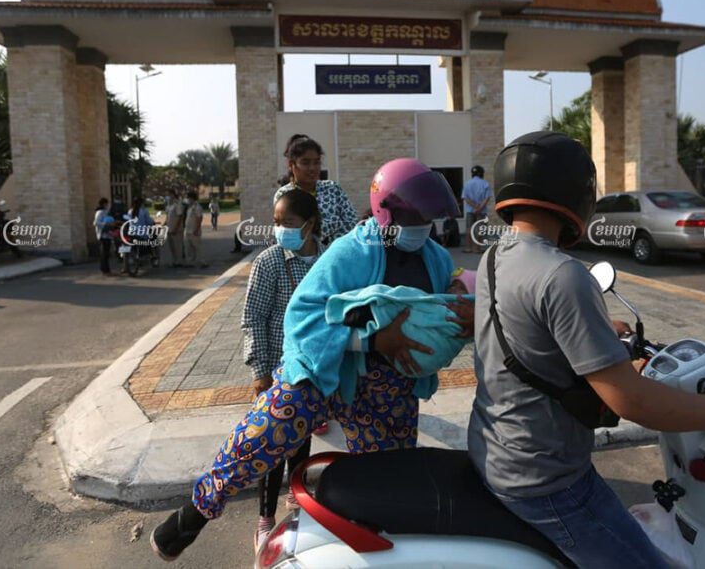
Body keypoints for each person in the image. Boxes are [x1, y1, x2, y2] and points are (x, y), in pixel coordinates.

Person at [467, 131, 705, 569]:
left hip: (498, 451)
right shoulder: (563, 274)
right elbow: (634, 402)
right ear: (578, 194)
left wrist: (597, 332)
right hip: (547, 480)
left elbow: (522, 332)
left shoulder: (493, 257)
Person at [150, 158, 474, 562]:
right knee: (274, 422)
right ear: (385, 211)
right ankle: (195, 512)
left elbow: (445, 303)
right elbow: (301, 316)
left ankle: (364, 546)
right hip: (325, 373)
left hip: (388, 388)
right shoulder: (352, 252)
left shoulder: (435, 258)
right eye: (415, 215)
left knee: (392, 480)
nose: (423, 225)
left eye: (429, 217)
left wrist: (460, 314)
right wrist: (372, 340)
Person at [242, 188, 325, 550]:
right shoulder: (270, 262)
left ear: (310, 225)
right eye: (276, 222)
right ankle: (265, 519)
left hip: (314, 370)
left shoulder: (327, 261)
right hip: (277, 371)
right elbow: (253, 318)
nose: (280, 229)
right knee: (272, 446)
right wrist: (260, 370)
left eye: (287, 222)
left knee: (301, 439)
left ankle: (296, 502)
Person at [273, 134, 358, 245]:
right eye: (305, 162)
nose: (312, 168)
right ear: (291, 164)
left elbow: (352, 223)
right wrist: (335, 224)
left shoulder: (332, 189)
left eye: (316, 162)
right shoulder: (285, 195)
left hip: (336, 256)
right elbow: (292, 232)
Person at [462, 165, 492, 253]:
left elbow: (465, 198)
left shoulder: (467, 183)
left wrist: (474, 207)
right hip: (482, 211)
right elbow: (487, 198)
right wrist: (479, 208)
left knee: (469, 229)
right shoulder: (485, 183)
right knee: (480, 229)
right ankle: (477, 248)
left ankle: (468, 248)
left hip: (470, 211)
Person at [183, 190, 207, 269]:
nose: (187, 200)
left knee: (197, 247)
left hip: (194, 230)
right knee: (188, 247)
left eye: (188, 198)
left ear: (192, 198)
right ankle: (189, 262)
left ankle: (202, 262)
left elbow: (199, 218)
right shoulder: (189, 207)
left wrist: (196, 229)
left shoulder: (197, 207)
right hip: (188, 230)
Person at [93, 198, 116, 276]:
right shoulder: (100, 212)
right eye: (107, 204)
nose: (108, 205)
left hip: (107, 235)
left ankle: (107, 270)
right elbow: (96, 223)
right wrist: (106, 224)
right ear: (104, 204)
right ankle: (105, 270)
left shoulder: (105, 212)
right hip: (103, 235)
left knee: (106, 254)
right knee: (104, 254)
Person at [164, 190, 185, 268]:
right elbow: (167, 217)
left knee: (177, 246)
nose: (168, 197)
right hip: (169, 229)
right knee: (172, 246)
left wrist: (176, 228)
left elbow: (180, 217)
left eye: (169, 195)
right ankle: (174, 261)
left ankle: (179, 262)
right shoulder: (169, 205)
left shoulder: (178, 204)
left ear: (173, 195)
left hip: (177, 229)